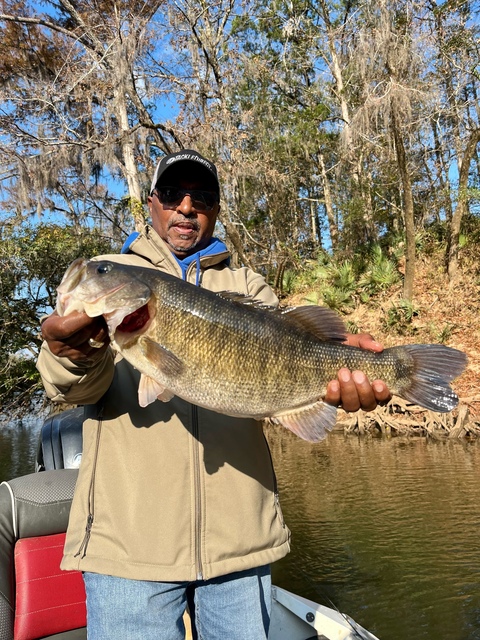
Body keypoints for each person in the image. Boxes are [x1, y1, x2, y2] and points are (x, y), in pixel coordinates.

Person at [37, 149, 391, 640]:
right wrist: (73, 352)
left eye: (201, 196)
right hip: (129, 542)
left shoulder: (247, 285)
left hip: (240, 541)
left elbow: (288, 363)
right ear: (151, 203)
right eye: (173, 194)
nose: (186, 206)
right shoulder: (117, 273)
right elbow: (72, 388)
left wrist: (342, 378)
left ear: (216, 209)